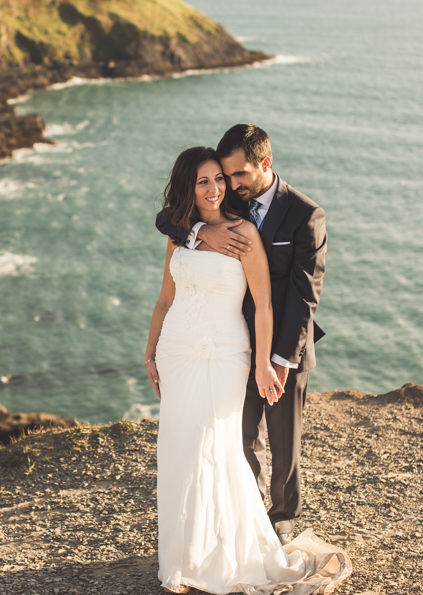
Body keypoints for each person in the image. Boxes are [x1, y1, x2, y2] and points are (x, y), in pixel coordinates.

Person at [145, 147, 348, 594]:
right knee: (178, 447)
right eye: (204, 181)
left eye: (221, 178)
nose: (217, 187)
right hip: (178, 350)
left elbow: (265, 305)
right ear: (188, 187)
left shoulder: (246, 232)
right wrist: (150, 351)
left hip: (224, 352)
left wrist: (263, 363)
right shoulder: (180, 233)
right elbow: (165, 297)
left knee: (212, 447)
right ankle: (184, 558)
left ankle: (238, 546)